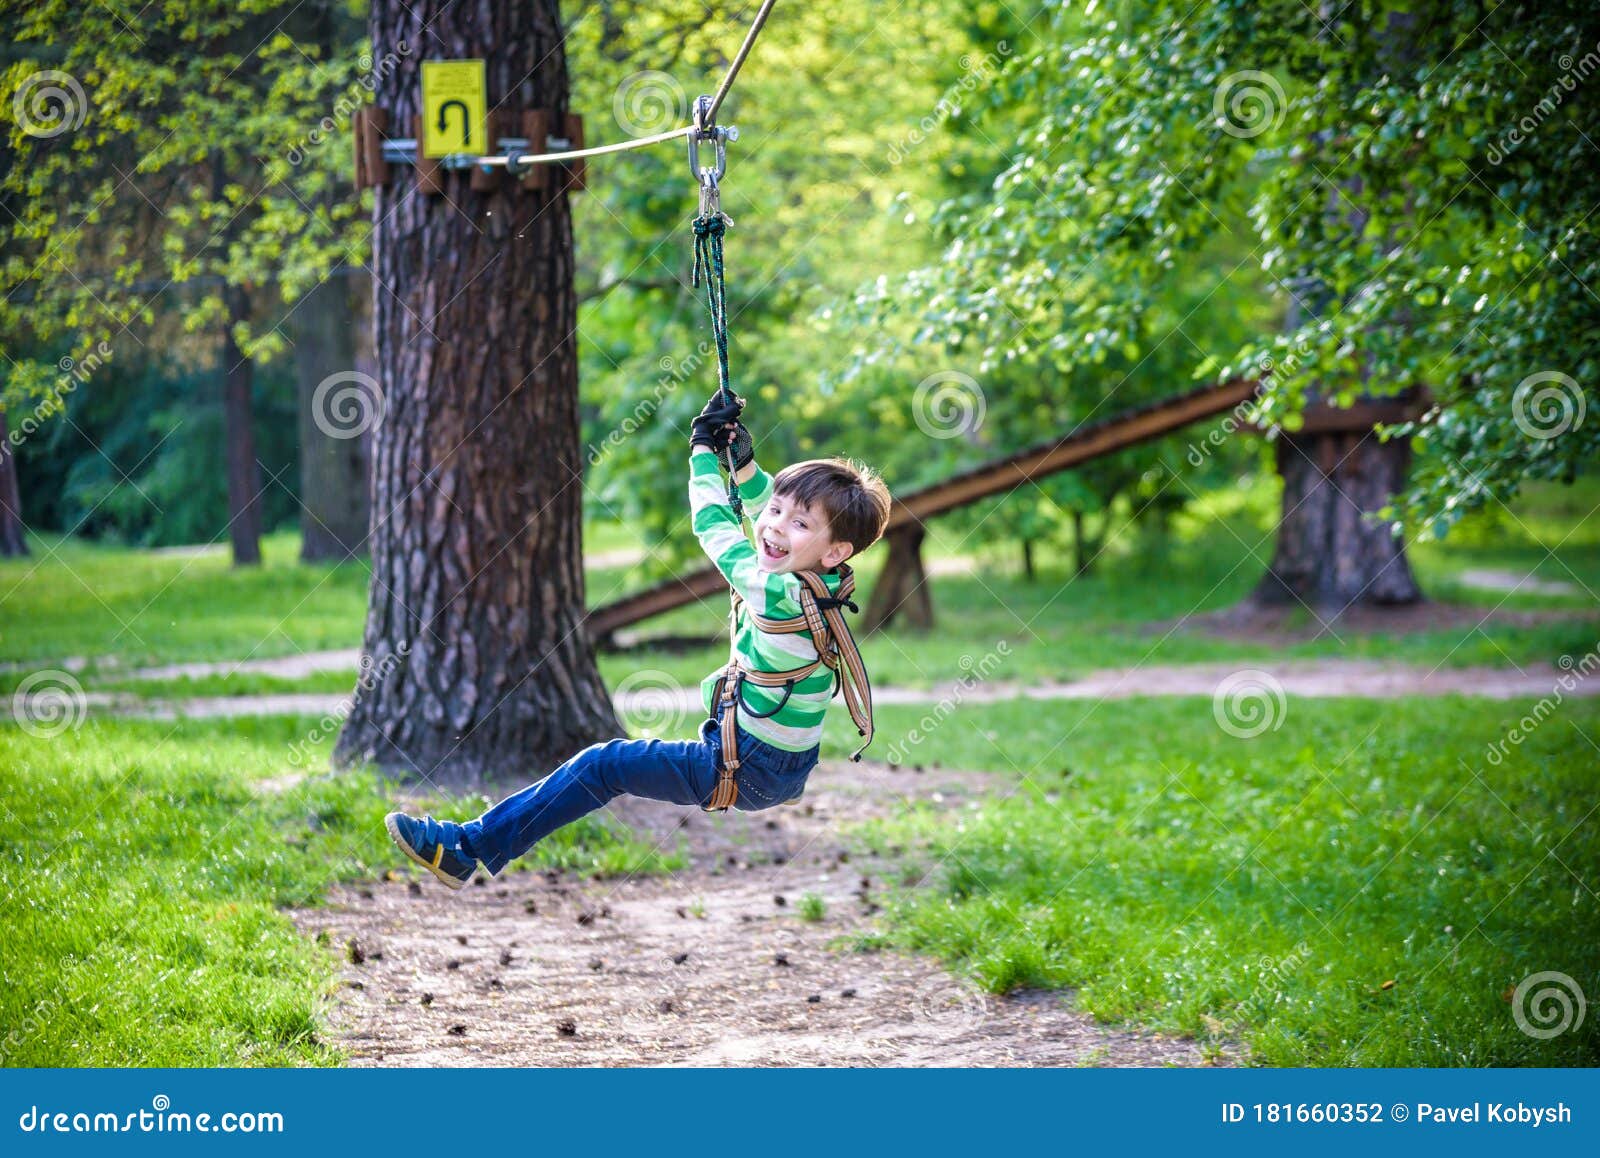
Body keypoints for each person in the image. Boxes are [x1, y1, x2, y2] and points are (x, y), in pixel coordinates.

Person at [384, 389, 892, 889]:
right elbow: (773, 514)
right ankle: (472, 846)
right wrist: (742, 466)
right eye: (776, 512)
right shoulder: (826, 581)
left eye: (798, 523)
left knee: (604, 764)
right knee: (609, 764)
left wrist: (700, 452)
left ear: (834, 550)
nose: (775, 527)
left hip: (747, 766)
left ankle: (467, 848)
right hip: (777, 764)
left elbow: (714, 526)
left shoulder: (772, 589)